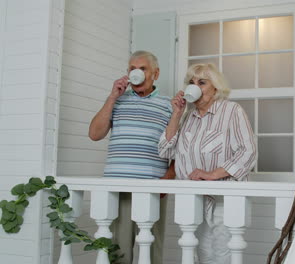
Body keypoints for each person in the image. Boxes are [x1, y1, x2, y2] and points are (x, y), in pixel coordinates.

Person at [158, 63, 257, 264]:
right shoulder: (187, 117)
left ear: (216, 87)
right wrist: (176, 113)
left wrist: (212, 174)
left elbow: (248, 152)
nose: (195, 87)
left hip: (224, 197)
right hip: (194, 198)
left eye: (202, 82)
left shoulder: (232, 111)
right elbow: (165, 150)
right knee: (200, 255)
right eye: (191, 83)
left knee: (223, 254)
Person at [89, 50, 174, 264]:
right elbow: (95, 134)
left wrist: (167, 180)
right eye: (132, 69)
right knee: (119, 252)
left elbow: (178, 149)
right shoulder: (116, 101)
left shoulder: (168, 105)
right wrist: (112, 97)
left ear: (155, 73)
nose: (137, 73)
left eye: (143, 69)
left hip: (152, 189)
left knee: (152, 251)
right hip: (118, 187)